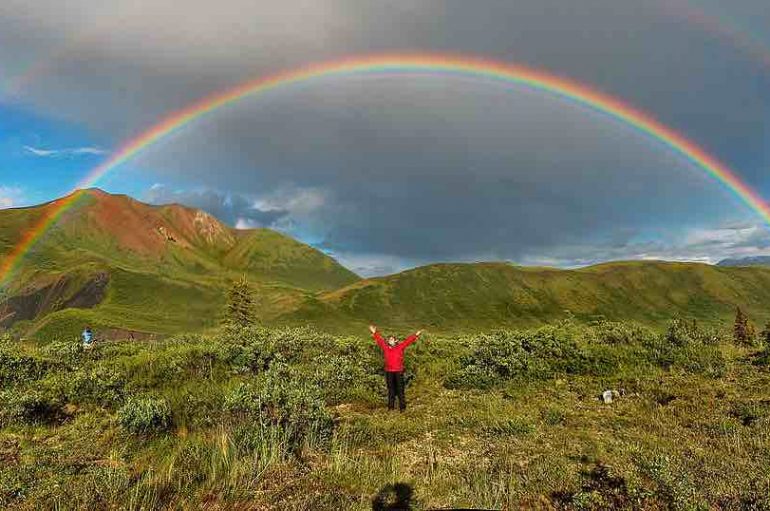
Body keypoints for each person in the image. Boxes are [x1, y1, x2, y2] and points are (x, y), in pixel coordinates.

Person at [369, 324, 423, 412]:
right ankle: (390, 408)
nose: (390, 340)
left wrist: (416, 335)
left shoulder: (400, 347)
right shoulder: (385, 348)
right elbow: (380, 340)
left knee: (400, 390)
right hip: (389, 372)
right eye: (389, 339)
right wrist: (374, 332)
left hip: (398, 372)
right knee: (391, 391)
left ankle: (402, 408)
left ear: (395, 340)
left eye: (391, 339)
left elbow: (407, 341)